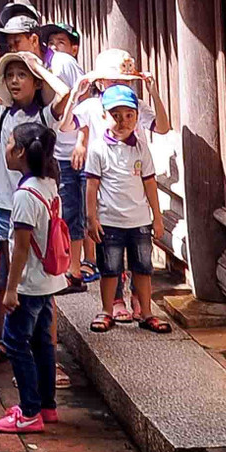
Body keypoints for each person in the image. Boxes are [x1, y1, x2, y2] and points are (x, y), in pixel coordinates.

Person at [0, 47, 70, 356]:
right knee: (8, 278)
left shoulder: (44, 115)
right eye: (10, 76)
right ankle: (11, 343)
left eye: (22, 76)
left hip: (36, 203)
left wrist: (38, 68)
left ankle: (46, 348)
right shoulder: (1, 113)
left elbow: (65, 93)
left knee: (42, 280)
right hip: (5, 206)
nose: (15, 81)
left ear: (35, 82)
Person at [0, 125, 68, 433]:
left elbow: (21, 248)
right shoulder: (48, 183)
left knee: (15, 342)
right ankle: (47, 406)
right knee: (42, 342)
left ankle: (29, 412)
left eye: (10, 142)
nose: (6, 147)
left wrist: (11, 290)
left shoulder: (25, 195)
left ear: (21, 151)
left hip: (29, 284)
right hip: (47, 279)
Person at [84, 85, 170, 334]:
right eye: (116, 115)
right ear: (104, 116)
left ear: (136, 116)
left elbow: (149, 183)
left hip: (139, 219)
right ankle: (107, 310)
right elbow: (92, 185)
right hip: (109, 219)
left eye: (129, 115)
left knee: (142, 268)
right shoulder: (98, 148)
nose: (122, 121)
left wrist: (157, 217)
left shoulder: (141, 147)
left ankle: (146, 311)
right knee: (110, 269)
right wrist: (91, 217)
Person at [39, 22, 87, 285]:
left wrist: (81, 139)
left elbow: (82, 102)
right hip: (61, 147)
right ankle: (72, 267)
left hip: (74, 148)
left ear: (74, 47)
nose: (55, 46)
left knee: (76, 211)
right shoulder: (50, 64)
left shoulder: (64, 63)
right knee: (69, 208)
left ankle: (74, 269)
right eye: (52, 42)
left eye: (61, 41)